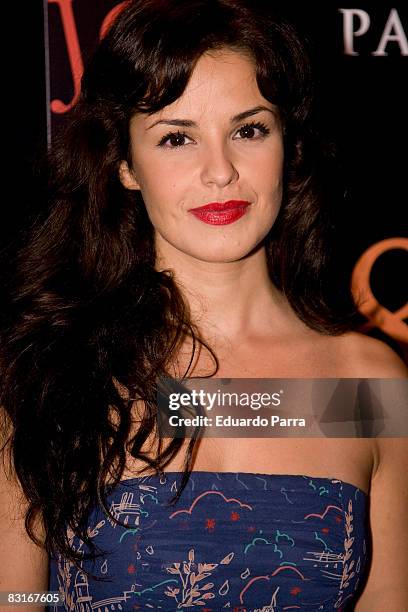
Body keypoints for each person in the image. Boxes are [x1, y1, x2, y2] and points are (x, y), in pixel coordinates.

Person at [1, 0, 407, 610]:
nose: (220, 172)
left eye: (249, 130)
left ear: (288, 146)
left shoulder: (365, 384)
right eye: (176, 138)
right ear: (124, 165)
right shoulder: (49, 372)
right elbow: (16, 598)